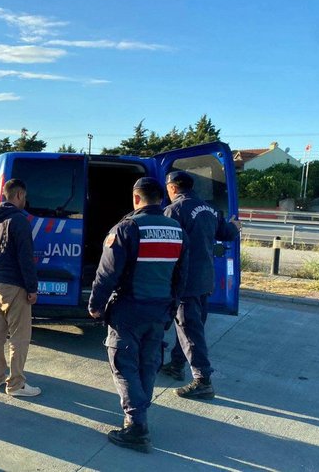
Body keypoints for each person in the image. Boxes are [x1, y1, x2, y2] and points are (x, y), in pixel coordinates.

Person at [88, 177, 188, 453]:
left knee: (124, 365)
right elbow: (182, 277)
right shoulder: (177, 230)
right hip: (159, 310)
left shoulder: (127, 228)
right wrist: (171, 306)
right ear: (161, 199)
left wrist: (95, 305)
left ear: (135, 198)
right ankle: (139, 418)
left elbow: (107, 274)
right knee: (148, 363)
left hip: (129, 310)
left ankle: (136, 427)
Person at [160, 171, 240, 399]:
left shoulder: (174, 210)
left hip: (185, 281)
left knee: (189, 328)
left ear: (173, 188)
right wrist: (235, 225)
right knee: (189, 326)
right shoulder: (210, 209)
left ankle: (202, 381)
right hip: (205, 279)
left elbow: (166, 245)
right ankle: (176, 364)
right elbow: (226, 233)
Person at [0, 179, 40, 397]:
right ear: (18, 196)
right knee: (20, 335)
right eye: (24, 197)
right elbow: (26, 257)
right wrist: (32, 288)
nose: (25, 201)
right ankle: (16, 384)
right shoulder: (19, 221)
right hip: (14, 285)